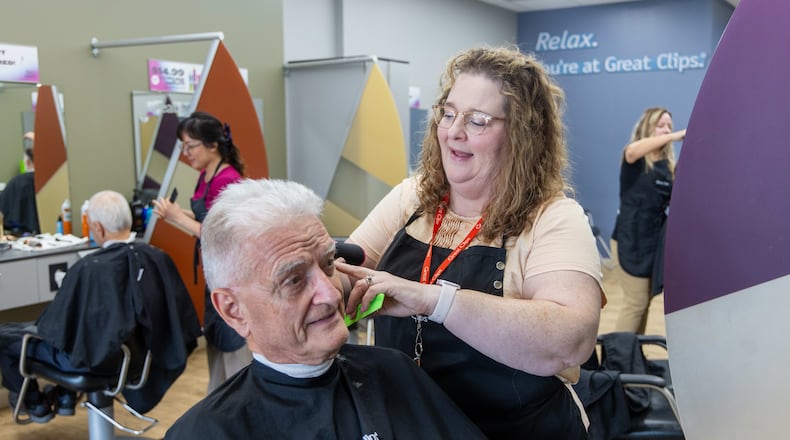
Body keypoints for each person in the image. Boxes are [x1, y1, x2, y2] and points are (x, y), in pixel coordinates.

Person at [335, 46, 604, 439]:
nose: (453, 131)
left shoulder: (552, 219)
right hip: (415, 426)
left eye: (477, 121)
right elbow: (351, 271)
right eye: (448, 113)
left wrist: (433, 301)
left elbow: (570, 340)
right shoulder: (411, 199)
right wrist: (317, 283)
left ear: (521, 135)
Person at [165, 178, 486, 439]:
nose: (331, 295)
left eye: (328, 263)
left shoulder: (395, 372)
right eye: (293, 280)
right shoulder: (206, 432)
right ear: (234, 310)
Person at [0, 190, 201, 422]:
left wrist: (68, 287)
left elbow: (55, 329)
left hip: (94, 363)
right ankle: (64, 396)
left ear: (98, 227)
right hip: (136, 357)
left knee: (7, 336)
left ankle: (37, 405)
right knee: (78, 335)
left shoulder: (89, 268)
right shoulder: (156, 257)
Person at [151, 111, 250, 393]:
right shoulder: (205, 177)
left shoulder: (227, 180)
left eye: (190, 146)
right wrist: (175, 213)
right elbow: (204, 218)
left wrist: (176, 217)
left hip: (230, 272)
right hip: (214, 272)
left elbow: (221, 234)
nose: (186, 153)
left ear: (212, 145)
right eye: (183, 146)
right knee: (217, 343)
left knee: (233, 346)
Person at [611, 107, 684, 334]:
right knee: (635, 303)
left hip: (651, 244)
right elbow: (632, 151)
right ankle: (619, 359)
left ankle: (634, 356)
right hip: (629, 241)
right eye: (660, 125)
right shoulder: (635, 157)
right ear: (647, 127)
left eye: (669, 126)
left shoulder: (667, 169)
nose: (666, 129)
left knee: (644, 303)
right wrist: (676, 136)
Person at [0, 145, 38, 235]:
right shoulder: (48, 182)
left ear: (28, 162)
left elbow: (3, 211)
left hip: (18, 233)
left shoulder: (16, 181)